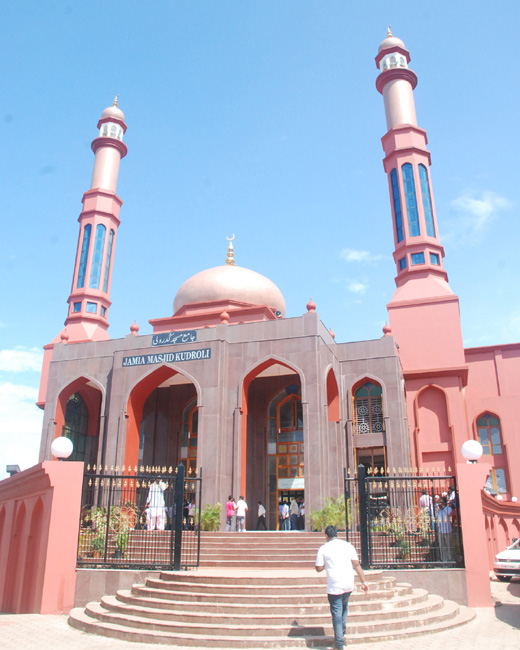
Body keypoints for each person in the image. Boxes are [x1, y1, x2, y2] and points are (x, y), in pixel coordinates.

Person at [315, 525, 369, 649]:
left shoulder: (324, 548)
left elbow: (318, 568)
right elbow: (357, 565)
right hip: (348, 584)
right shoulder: (348, 546)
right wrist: (363, 582)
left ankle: (339, 642)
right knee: (344, 608)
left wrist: (324, 565)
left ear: (326, 536)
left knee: (337, 613)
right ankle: (342, 633)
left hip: (334, 585)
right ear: (336, 534)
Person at [435, 496, 453, 563]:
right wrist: (438, 509)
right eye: (439, 502)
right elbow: (436, 517)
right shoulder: (439, 511)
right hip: (441, 531)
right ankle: (444, 560)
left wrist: (444, 507)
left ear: (445, 503)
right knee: (442, 546)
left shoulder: (448, 509)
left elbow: (449, 513)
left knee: (449, 546)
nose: (440, 504)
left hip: (447, 530)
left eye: (441, 502)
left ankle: (450, 559)